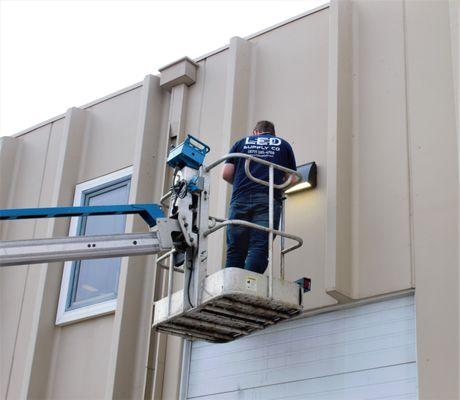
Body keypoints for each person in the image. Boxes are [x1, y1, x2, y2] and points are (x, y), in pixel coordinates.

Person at [222, 120, 298, 274]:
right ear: (272, 133)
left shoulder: (241, 143)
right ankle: (250, 284)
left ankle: (233, 285)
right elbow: (293, 178)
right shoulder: (283, 145)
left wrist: (239, 183)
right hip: (268, 199)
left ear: (255, 132)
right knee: (259, 245)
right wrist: (279, 187)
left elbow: (226, 173)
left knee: (236, 247)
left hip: (241, 198)